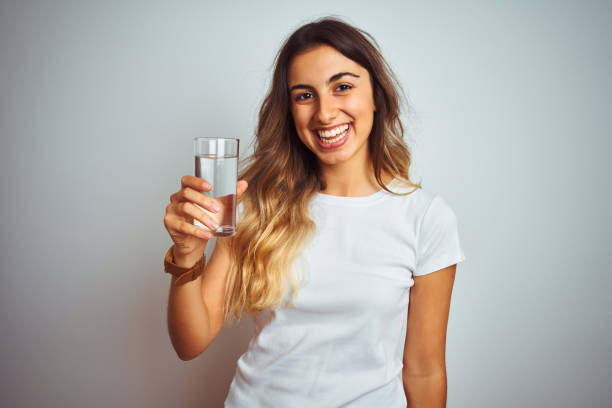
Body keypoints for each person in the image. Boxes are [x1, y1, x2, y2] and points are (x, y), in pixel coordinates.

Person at [163, 17, 465, 408]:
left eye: (342, 87)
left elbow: (424, 371)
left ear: (376, 96)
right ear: (289, 110)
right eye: (304, 95)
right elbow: (190, 343)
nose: (324, 113)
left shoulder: (426, 218)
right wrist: (186, 256)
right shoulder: (258, 203)